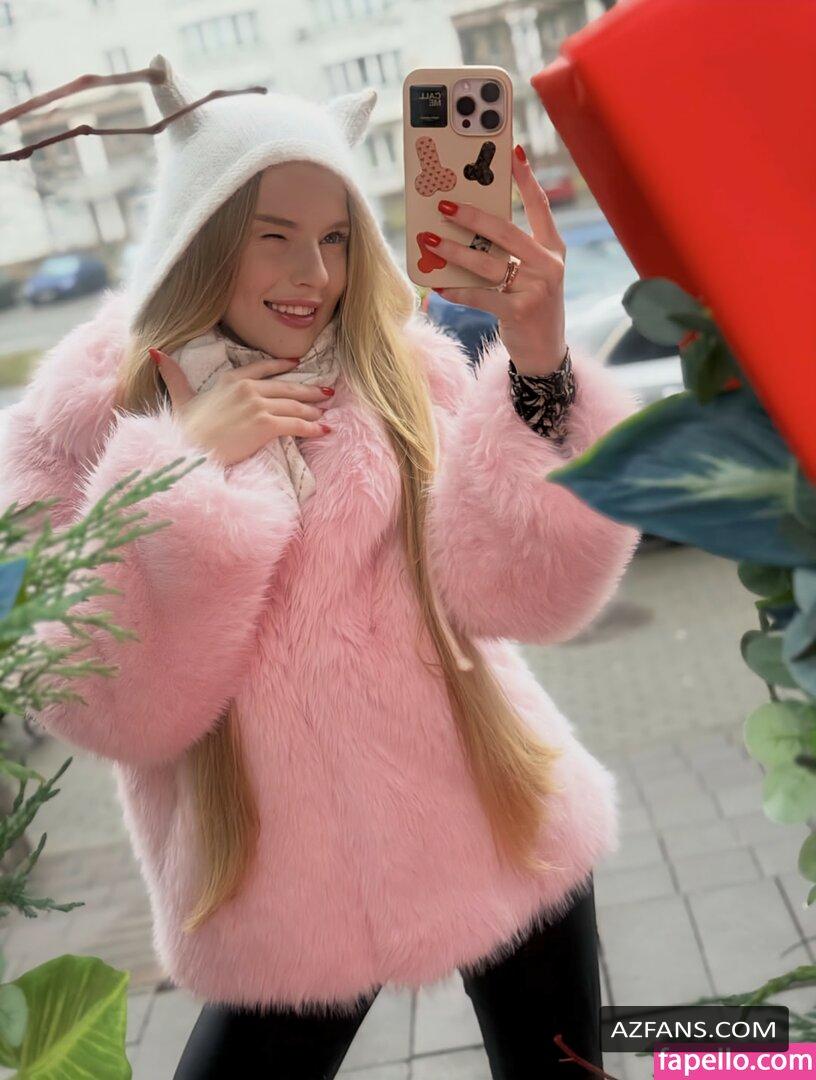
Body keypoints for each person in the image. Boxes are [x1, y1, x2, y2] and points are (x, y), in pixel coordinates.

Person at [0, 55, 640, 1078]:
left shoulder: (401, 370)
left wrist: (537, 365)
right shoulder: (86, 422)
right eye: (274, 237)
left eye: (336, 237)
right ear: (200, 238)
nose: (315, 274)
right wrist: (181, 471)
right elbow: (108, 707)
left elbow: (521, 594)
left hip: (504, 819)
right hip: (281, 895)